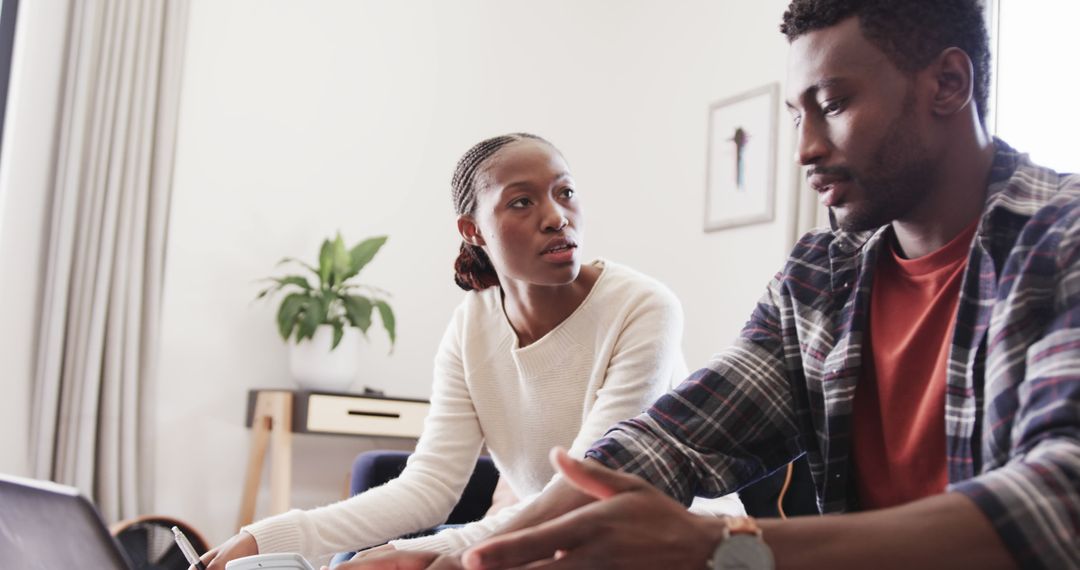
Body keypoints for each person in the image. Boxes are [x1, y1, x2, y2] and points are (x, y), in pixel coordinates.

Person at [342, 1, 1080, 569]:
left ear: (949, 83)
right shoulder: (820, 279)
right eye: (796, 114)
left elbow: (1059, 503)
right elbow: (671, 440)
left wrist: (722, 546)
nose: (805, 149)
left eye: (835, 104)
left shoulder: (1062, 241)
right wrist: (473, 556)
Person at [199, 133, 743, 569]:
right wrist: (265, 537)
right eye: (522, 202)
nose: (556, 216)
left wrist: (438, 551)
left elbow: (588, 485)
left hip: (666, 546)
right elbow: (430, 485)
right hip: (547, 544)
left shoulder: (643, 306)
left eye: (566, 192)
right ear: (473, 230)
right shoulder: (471, 327)